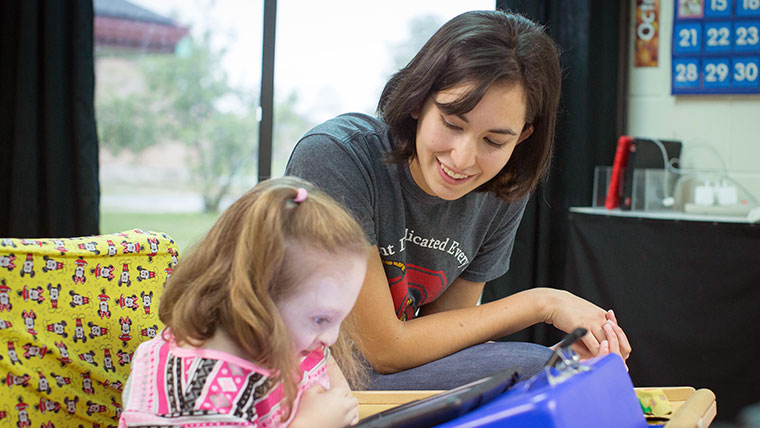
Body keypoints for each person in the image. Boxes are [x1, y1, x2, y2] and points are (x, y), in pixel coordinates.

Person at [285, 10, 631, 390]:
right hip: (300, 372)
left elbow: (444, 340)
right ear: (419, 102)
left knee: (564, 370)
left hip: (379, 378)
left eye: (494, 141)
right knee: (540, 369)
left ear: (522, 137)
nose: (463, 159)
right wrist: (542, 303)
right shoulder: (336, 157)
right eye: (452, 123)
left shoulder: (502, 189)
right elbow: (380, 348)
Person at [119, 177, 369, 428]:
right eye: (321, 319)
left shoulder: (297, 338)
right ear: (257, 298)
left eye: (340, 318)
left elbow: (341, 402)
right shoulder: (198, 391)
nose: (332, 338)